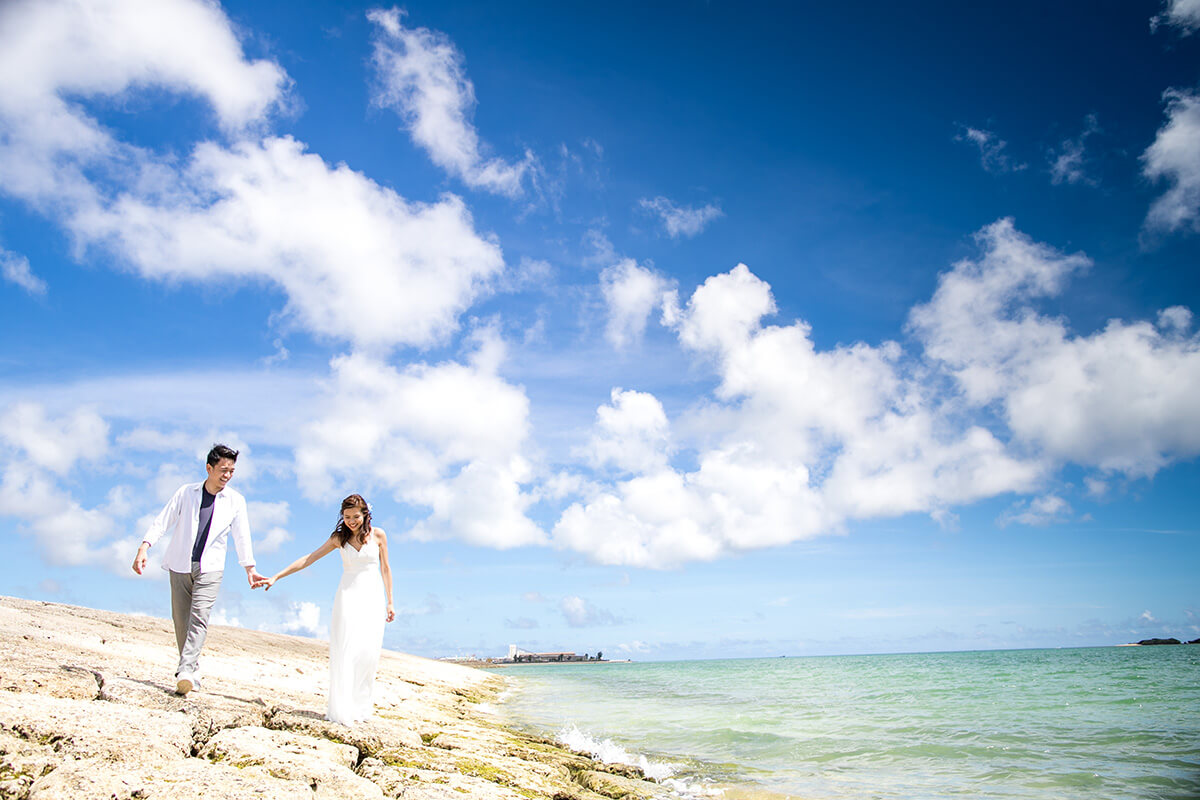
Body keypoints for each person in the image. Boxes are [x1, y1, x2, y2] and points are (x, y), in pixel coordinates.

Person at [132, 444, 266, 695]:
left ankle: (184, 671)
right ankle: (192, 668)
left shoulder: (236, 500)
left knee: (200, 617)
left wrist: (250, 567)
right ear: (209, 468)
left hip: (211, 568)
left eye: (232, 471)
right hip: (180, 564)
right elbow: (164, 520)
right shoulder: (186, 493)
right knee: (181, 620)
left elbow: (242, 535)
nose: (227, 475)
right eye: (223, 470)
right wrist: (144, 547)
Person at [262, 494, 395, 726]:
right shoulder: (338, 538)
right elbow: (310, 558)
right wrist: (276, 576)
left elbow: (385, 568)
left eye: (356, 516)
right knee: (346, 649)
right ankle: (342, 709)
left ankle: (360, 707)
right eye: (346, 517)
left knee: (368, 653)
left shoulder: (379, 535)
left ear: (365, 514)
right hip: (347, 596)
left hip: (372, 598)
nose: (351, 521)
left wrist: (390, 601)